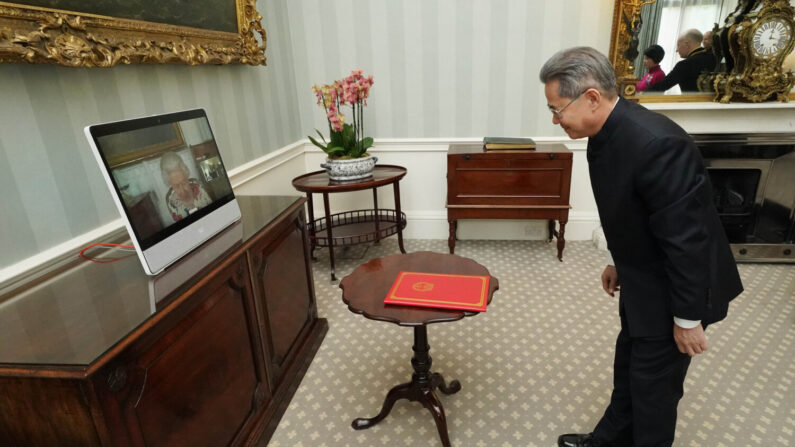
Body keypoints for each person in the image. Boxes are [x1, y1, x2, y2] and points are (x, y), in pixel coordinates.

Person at [539, 47, 743, 447]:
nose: (555, 119)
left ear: (592, 97)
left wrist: (687, 318)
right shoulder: (605, 132)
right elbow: (631, 211)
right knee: (629, 367)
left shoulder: (656, 144)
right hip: (643, 277)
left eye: (557, 109)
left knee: (655, 392)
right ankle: (608, 439)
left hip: (677, 289)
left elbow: (687, 240)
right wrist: (620, 260)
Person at [647, 29, 715, 92]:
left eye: (678, 45)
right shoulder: (713, 57)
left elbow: (662, 86)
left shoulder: (684, 65)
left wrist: (641, 93)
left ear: (687, 44)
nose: (677, 50)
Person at [160, 152, 212, 222]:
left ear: (186, 175)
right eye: (176, 186)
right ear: (170, 184)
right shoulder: (171, 202)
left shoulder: (200, 188)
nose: (182, 190)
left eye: (184, 183)